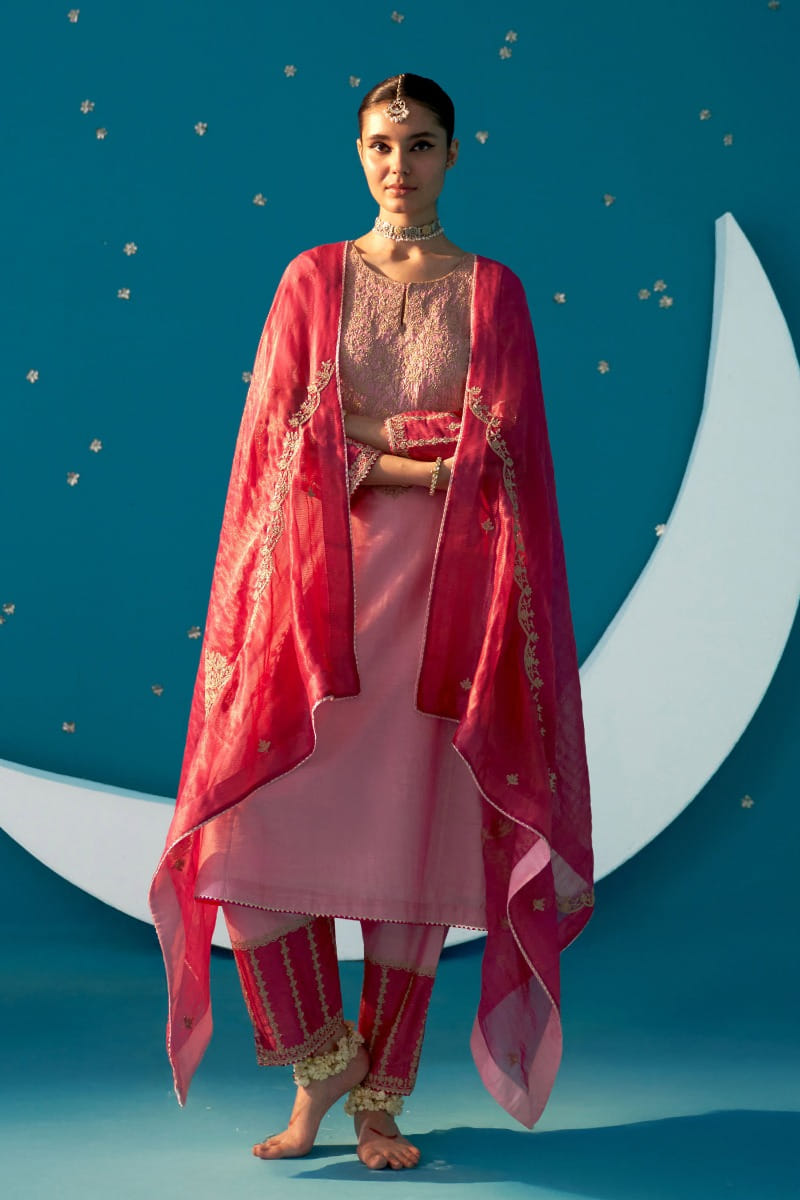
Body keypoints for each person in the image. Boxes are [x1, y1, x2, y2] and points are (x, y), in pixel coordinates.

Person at [148, 72, 595, 1172]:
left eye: (422, 144)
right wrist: (416, 454)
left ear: (454, 155)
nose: (400, 166)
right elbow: (282, 437)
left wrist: (366, 434)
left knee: (413, 844)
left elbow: (503, 448)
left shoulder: (494, 291)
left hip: (446, 602)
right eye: (382, 146)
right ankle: (322, 1061)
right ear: (358, 154)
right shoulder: (311, 278)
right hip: (316, 604)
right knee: (248, 833)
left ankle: (376, 1110)